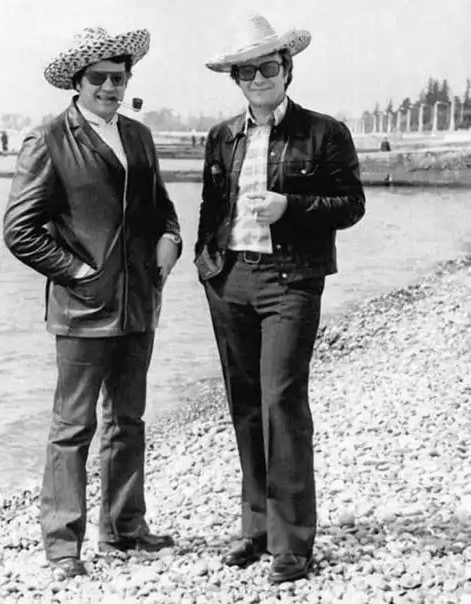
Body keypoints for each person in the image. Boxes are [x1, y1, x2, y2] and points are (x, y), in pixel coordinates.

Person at [3, 25, 182, 578]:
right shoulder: (48, 139)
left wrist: (171, 240)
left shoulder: (139, 136)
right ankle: (62, 546)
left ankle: (125, 529)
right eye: (99, 78)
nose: (110, 87)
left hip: (139, 305)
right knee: (72, 428)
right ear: (77, 83)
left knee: (128, 420)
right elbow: (19, 230)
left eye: (118, 78)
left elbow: (162, 207)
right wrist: (79, 271)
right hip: (81, 311)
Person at [195, 13, 365, 583]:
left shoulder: (325, 133)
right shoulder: (222, 136)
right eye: (247, 72)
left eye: (268, 67)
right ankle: (257, 527)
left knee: (282, 402)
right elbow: (211, 208)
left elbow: (351, 205)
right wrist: (206, 266)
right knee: (245, 405)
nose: (259, 78)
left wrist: (290, 207)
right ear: (236, 81)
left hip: (291, 282)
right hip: (230, 281)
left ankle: (292, 542)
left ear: (287, 69)